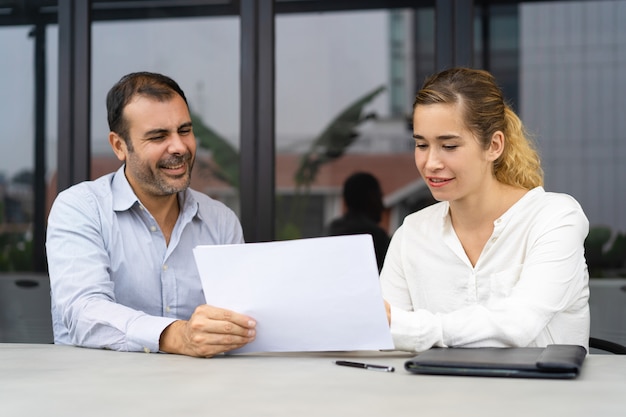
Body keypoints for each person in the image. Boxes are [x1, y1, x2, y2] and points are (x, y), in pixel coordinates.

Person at [46, 72, 256, 357]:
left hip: (201, 394)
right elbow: (84, 312)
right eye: (158, 136)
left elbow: (242, 321)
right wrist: (176, 335)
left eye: (184, 131)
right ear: (119, 146)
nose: (180, 147)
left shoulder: (220, 220)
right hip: (99, 393)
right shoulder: (80, 208)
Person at [380, 67, 590, 353]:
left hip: (541, 396)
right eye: (421, 145)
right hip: (438, 396)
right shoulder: (412, 234)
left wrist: (406, 327)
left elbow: (518, 325)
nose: (430, 163)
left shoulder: (555, 218)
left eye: (449, 146)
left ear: (493, 145)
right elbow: (382, 337)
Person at [327, 172, 391, 271]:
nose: (382, 206)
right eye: (379, 196)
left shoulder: (331, 231)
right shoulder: (375, 236)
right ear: (370, 198)